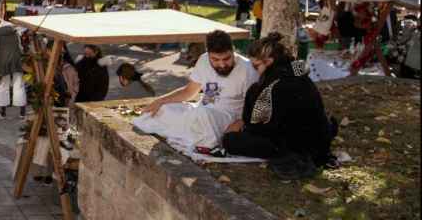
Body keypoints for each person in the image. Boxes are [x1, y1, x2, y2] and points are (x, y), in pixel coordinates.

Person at [221, 33, 337, 178]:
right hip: (320, 143)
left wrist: (236, 131)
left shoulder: (266, 88)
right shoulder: (300, 75)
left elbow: (257, 129)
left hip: (293, 147)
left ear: (269, 61)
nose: (254, 70)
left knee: (230, 140)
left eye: (256, 66)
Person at [134, 30, 258, 150]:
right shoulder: (203, 60)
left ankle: (188, 135)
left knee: (202, 116)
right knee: (165, 109)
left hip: (227, 118)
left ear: (233, 51)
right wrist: (160, 101)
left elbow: (255, 107)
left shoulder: (247, 69)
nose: (222, 65)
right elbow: (189, 92)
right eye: (215, 60)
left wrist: (241, 123)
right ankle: (188, 134)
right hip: (201, 111)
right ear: (208, 54)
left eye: (226, 59)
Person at [0, 20, 26, 119]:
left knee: (3, 87)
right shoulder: (15, 34)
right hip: (16, 62)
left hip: (3, 63)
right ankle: (22, 112)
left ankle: (3, 112)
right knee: (18, 86)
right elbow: (20, 49)